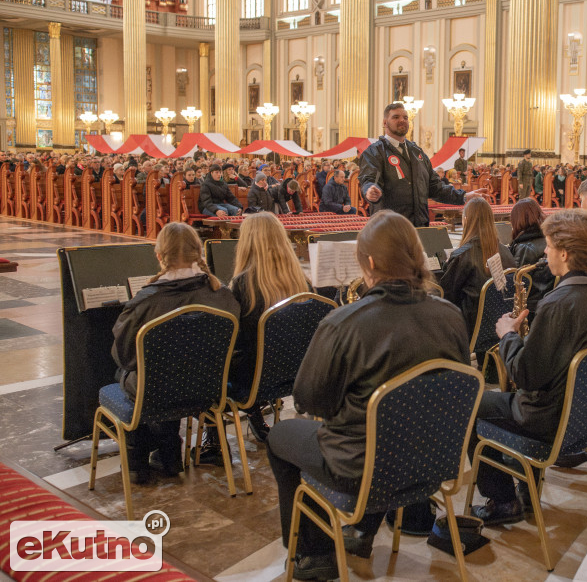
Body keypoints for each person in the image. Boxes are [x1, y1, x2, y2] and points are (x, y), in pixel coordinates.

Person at [267, 211, 470, 577]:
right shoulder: (451, 315)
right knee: (386, 430)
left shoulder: (343, 322)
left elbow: (309, 400)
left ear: (370, 263)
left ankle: (313, 555)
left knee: (281, 435)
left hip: (362, 469)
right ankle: (361, 531)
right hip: (434, 460)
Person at [469, 209, 587, 525]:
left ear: (564, 253)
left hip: (552, 420)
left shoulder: (560, 302)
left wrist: (508, 335)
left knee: (471, 403)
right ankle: (525, 490)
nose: (545, 251)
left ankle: (503, 502)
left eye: (549, 246)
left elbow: (526, 376)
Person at [110, 223, 240, 484]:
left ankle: (140, 457)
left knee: (134, 373)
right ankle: (168, 452)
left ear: (159, 256)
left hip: (157, 390)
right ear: (199, 253)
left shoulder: (147, 300)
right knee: (170, 373)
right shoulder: (223, 295)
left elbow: (124, 356)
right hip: (208, 389)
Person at [228, 213, 311, 443]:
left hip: (254, 379)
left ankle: (213, 438)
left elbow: (234, 341)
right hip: (296, 374)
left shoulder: (242, 285)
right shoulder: (303, 282)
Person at [359, 103, 485, 227]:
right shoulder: (374, 152)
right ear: (385, 123)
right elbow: (369, 180)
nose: (402, 120)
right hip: (390, 229)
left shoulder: (417, 152)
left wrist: (463, 196)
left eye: (405, 117)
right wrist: (370, 190)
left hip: (419, 227)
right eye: (396, 117)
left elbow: (435, 187)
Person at [439, 198, 516, 337]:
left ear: (466, 221)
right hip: (500, 325)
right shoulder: (506, 251)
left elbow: (446, 298)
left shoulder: (462, 256)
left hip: (471, 329)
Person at [507, 198, 556, 312]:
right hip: (545, 299)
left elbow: (517, 283)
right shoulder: (548, 238)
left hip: (529, 305)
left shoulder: (525, 247)